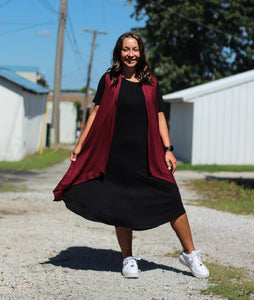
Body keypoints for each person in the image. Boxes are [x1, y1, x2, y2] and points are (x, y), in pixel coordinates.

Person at [53, 32, 209, 279]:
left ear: (141, 52)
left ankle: (190, 254)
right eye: (126, 49)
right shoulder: (109, 80)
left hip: (148, 154)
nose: (130, 54)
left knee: (171, 197)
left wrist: (168, 149)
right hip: (116, 156)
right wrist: (80, 144)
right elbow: (95, 113)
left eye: (134, 49)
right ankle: (127, 258)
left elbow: (159, 116)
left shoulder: (151, 84)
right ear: (119, 53)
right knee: (122, 205)